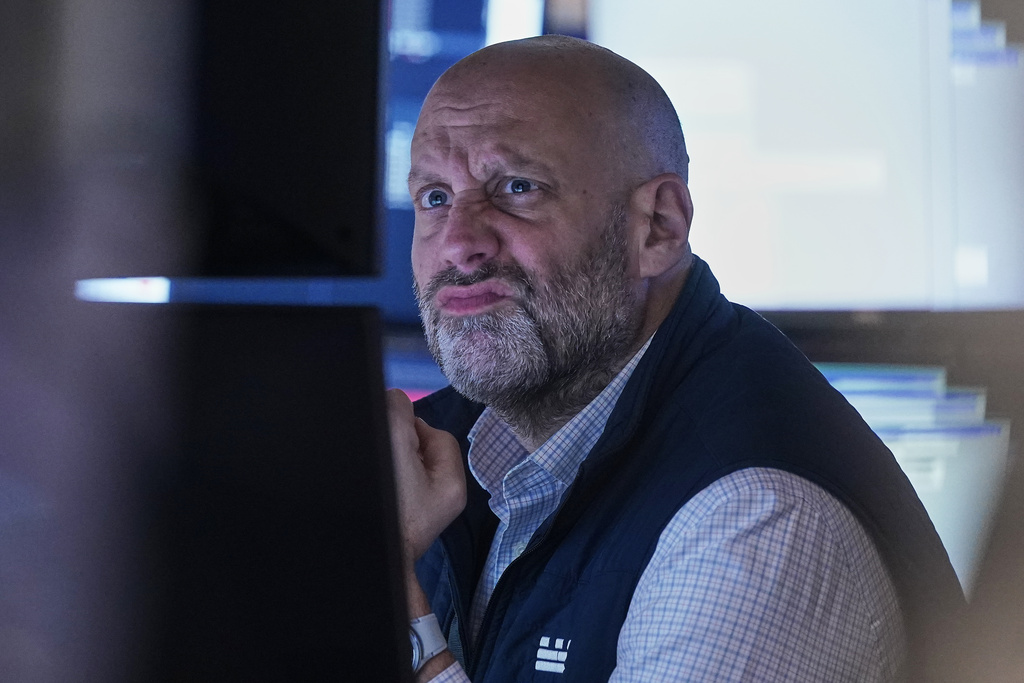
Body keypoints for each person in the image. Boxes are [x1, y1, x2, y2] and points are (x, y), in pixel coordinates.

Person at [386, 35, 963, 683]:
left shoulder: (754, 523)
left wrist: (391, 592)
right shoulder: (461, 438)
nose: (459, 243)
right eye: (435, 197)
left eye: (518, 188)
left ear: (658, 227)